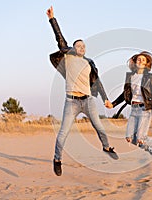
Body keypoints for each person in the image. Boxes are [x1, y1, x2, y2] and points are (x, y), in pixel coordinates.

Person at [46, 6, 118, 176]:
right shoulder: (68, 56)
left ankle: (106, 147)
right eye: (79, 45)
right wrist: (52, 19)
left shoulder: (89, 63)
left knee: (99, 126)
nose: (82, 47)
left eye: (84, 46)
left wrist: (106, 99)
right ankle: (57, 159)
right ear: (73, 47)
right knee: (64, 132)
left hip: (88, 101)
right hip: (71, 102)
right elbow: (60, 38)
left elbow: (97, 83)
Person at [111, 51, 152, 160]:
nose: (140, 61)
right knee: (129, 138)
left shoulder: (149, 77)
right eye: (138, 59)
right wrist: (113, 104)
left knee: (141, 137)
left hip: (145, 109)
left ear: (146, 64)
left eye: (143, 60)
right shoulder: (130, 77)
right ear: (135, 62)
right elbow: (125, 94)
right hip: (133, 109)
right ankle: (147, 148)